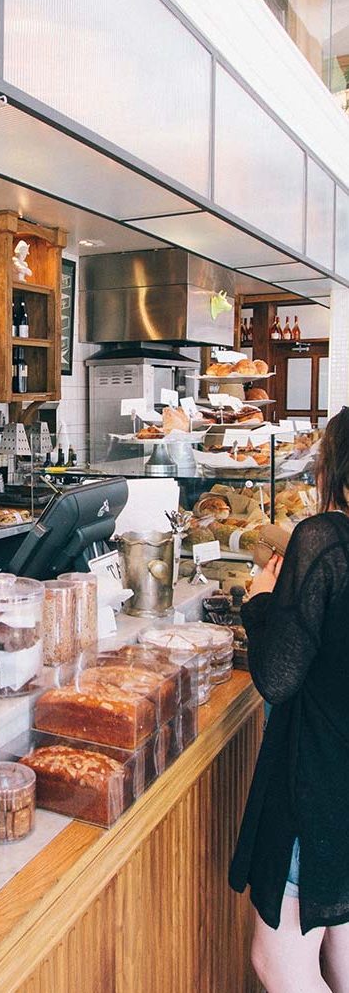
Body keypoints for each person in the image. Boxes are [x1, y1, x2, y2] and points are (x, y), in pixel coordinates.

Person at [229, 409, 349, 993]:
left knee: (278, 964)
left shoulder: (325, 539)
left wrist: (259, 601)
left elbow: (277, 678)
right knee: (344, 948)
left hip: (323, 783)